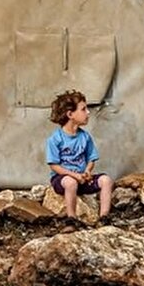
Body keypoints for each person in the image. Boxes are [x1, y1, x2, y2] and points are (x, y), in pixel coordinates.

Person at [45, 89, 113, 224]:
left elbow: (91, 158)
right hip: (63, 179)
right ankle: (71, 218)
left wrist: (87, 171)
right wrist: (74, 175)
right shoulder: (55, 139)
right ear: (70, 114)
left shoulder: (85, 137)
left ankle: (104, 217)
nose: (88, 112)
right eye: (83, 109)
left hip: (82, 178)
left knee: (106, 180)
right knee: (70, 183)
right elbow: (54, 166)